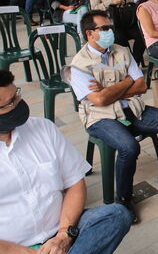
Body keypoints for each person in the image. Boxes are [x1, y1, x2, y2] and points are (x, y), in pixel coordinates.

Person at [0, 69, 133, 253]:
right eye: (10, 103)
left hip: (64, 229)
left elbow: (75, 184)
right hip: (14, 249)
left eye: (17, 95)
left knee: (117, 215)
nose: (19, 103)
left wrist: (64, 235)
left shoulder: (43, 129)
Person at [69, 10, 158, 223]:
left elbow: (141, 85)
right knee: (129, 147)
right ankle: (122, 200)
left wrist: (108, 88)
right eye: (103, 29)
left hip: (132, 109)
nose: (109, 32)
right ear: (89, 34)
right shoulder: (79, 64)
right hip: (100, 118)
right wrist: (125, 83)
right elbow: (99, 101)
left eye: (110, 27)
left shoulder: (121, 50)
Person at [90, 0, 145, 64]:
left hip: (127, 19)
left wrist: (123, 0)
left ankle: (135, 62)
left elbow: (131, 0)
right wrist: (110, 2)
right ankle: (129, 63)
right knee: (121, 39)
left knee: (142, 35)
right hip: (111, 22)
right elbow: (94, 7)